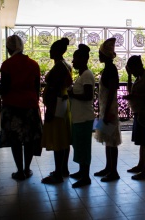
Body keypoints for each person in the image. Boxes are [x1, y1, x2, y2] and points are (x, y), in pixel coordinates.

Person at [0, 35, 42, 180]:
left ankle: (19, 171)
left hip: (12, 107)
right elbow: (37, 87)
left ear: (9, 48)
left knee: (15, 140)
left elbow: (4, 87)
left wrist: (0, 91)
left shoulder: (7, 65)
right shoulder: (33, 64)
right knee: (28, 139)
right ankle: (27, 168)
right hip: (30, 106)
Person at [41, 38, 73, 184]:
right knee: (64, 138)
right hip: (62, 104)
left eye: (52, 49)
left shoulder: (59, 66)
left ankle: (58, 173)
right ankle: (63, 169)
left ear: (57, 51)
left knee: (58, 139)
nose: (50, 52)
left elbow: (54, 89)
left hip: (56, 105)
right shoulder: (65, 65)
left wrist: (50, 110)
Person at [123, 55, 145, 180]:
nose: (131, 72)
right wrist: (128, 76)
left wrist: (135, 96)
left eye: (131, 69)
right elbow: (130, 91)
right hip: (138, 113)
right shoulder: (139, 77)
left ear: (138, 66)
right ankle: (141, 165)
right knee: (142, 142)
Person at [94, 38, 122, 182]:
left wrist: (106, 113)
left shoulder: (110, 69)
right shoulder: (108, 68)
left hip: (109, 109)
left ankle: (113, 170)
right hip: (106, 108)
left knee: (111, 140)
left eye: (100, 53)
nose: (99, 56)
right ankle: (108, 167)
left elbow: (111, 91)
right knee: (108, 139)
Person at [68, 44, 95, 187]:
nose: (73, 62)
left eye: (75, 59)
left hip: (84, 118)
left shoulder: (87, 75)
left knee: (84, 148)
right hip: (79, 117)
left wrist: (73, 94)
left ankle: (86, 177)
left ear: (83, 59)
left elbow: (88, 96)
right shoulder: (82, 75)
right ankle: (81, 172)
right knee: (79, 146)